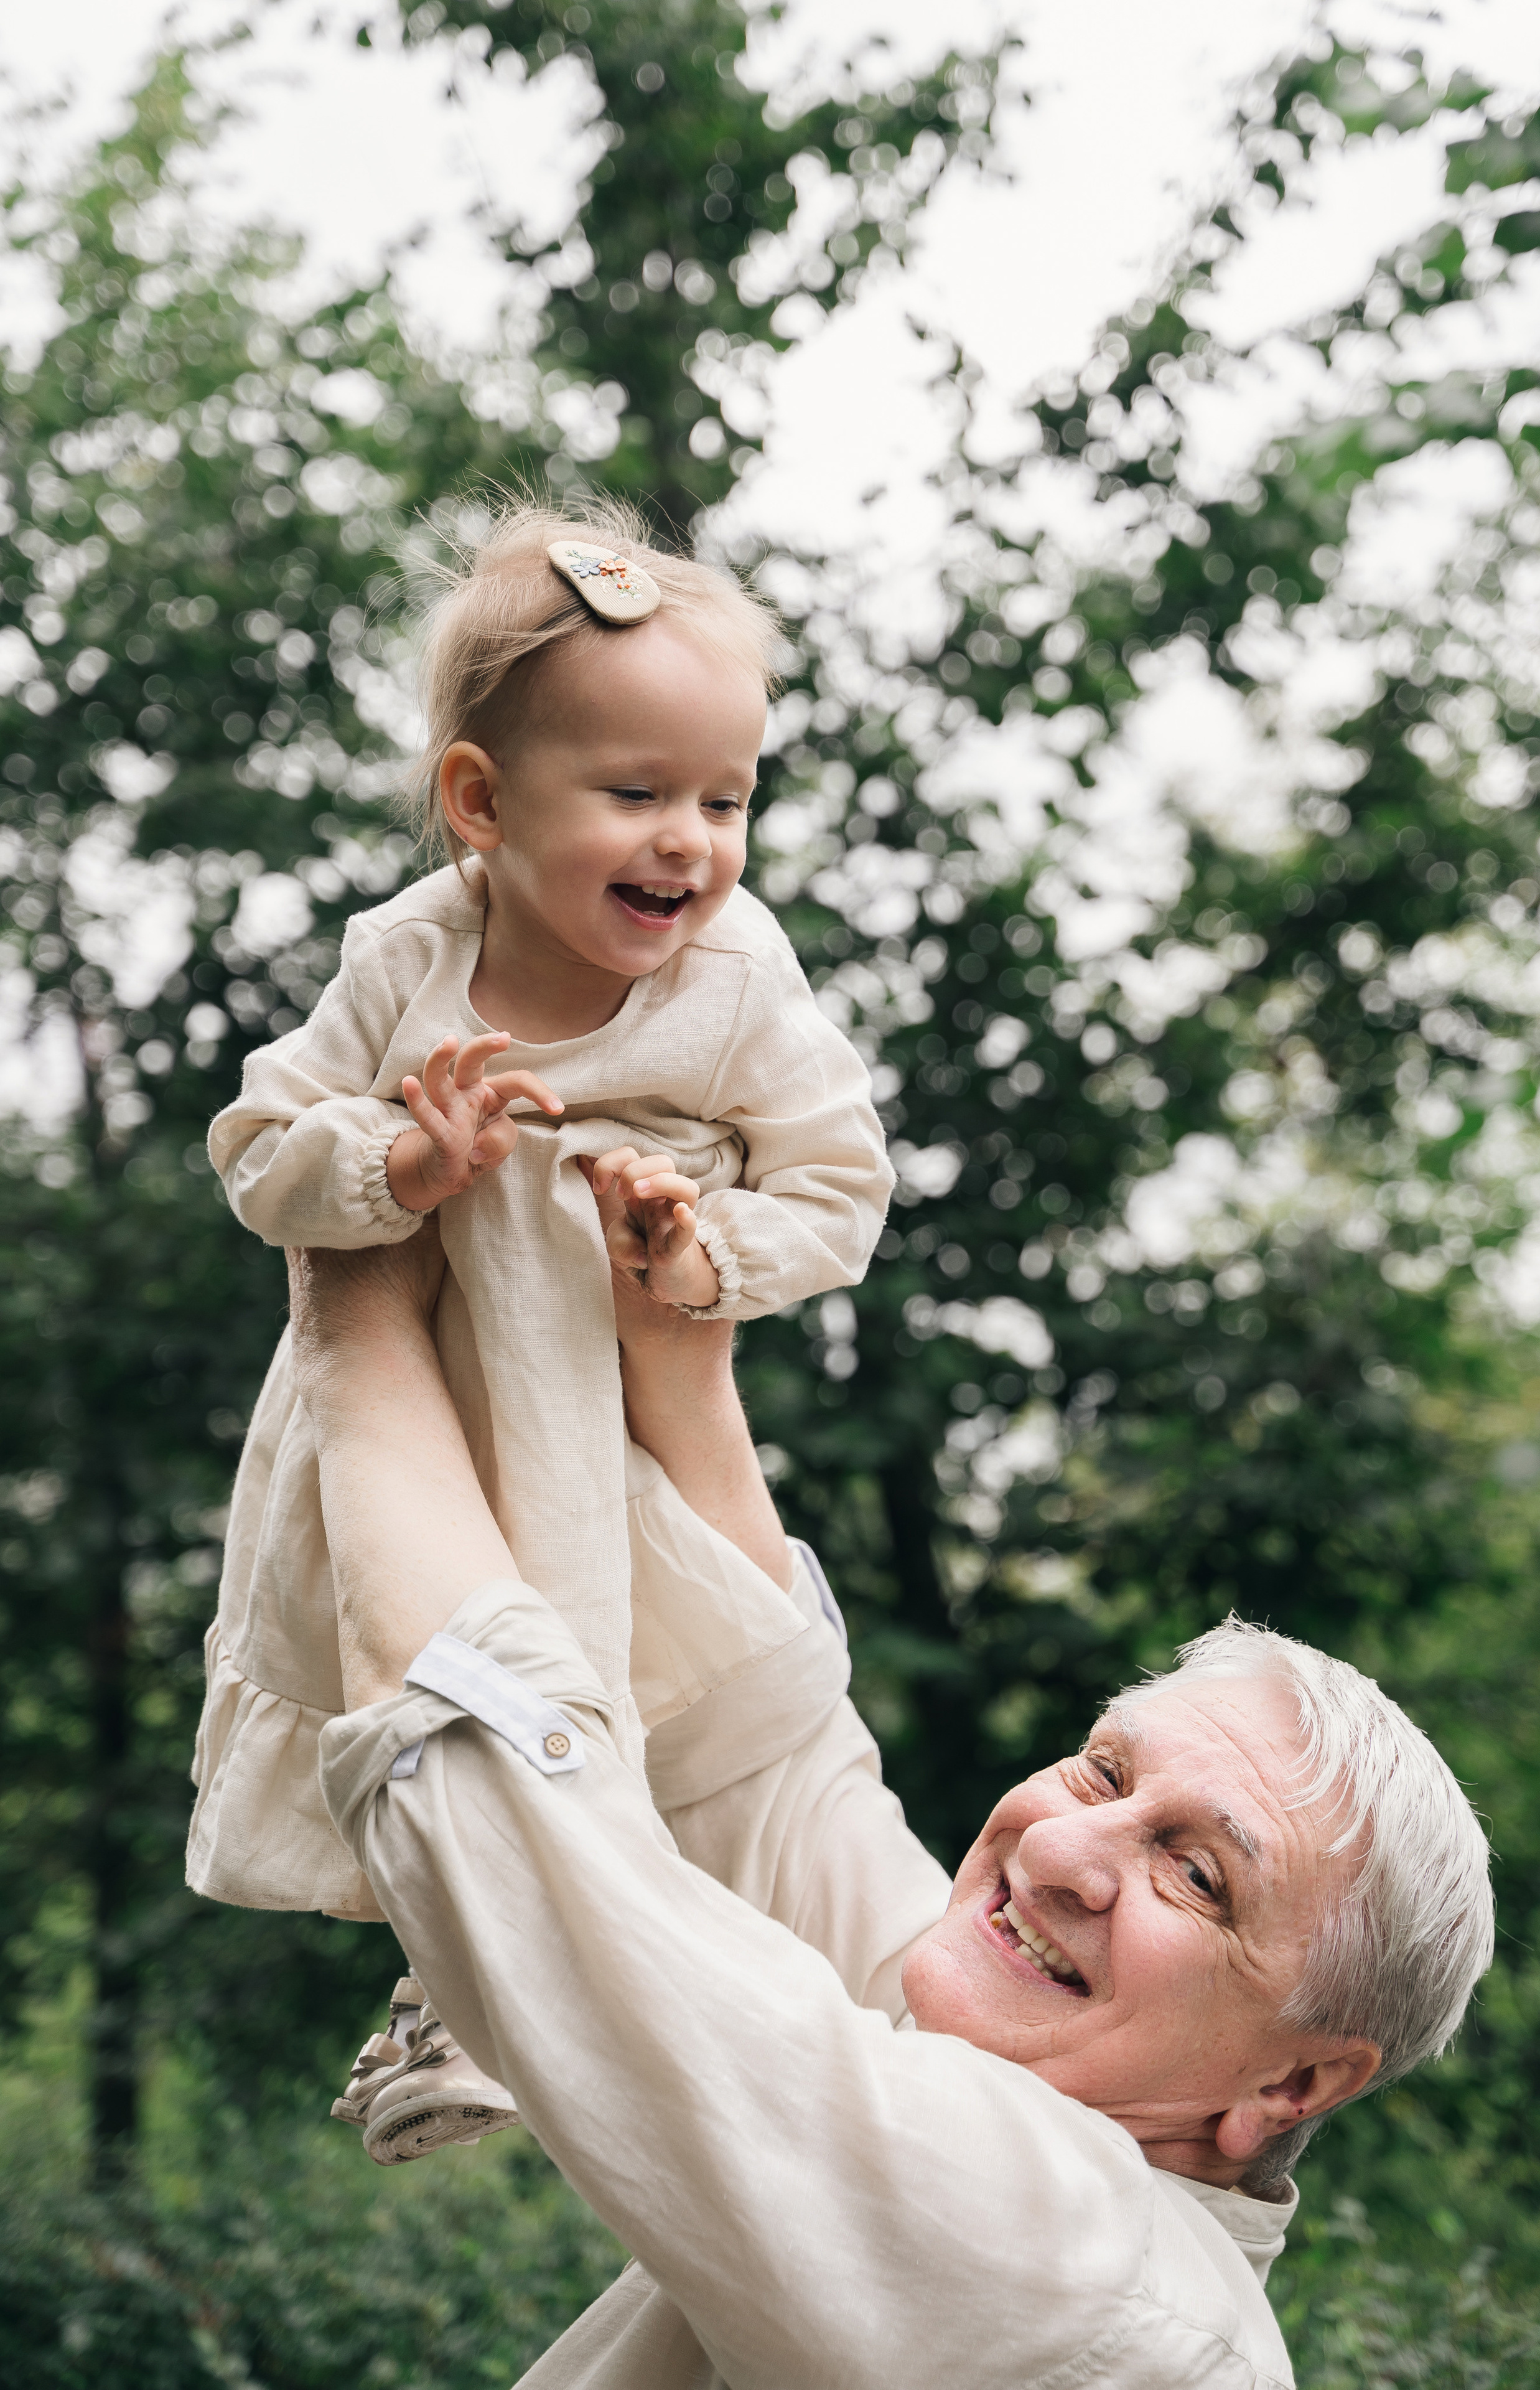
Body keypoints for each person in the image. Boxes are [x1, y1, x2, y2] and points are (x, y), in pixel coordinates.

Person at [292, 1215, 1495, 2389]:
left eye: (1198, 1876)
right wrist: (681, 1365)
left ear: (1291, 2088)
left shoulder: (1085, 2282)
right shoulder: (1036, 2078)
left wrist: (352, 1305)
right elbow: (774, 1768)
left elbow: (517, 1826)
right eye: (1106, 1771)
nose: (1067, 1846)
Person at [187, 499, 894, 2158]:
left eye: (727, 799)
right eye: (638, 794)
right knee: (427, 1670)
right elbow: (256, 1156)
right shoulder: (403, 963)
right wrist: (390, 1161)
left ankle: (607, 2005)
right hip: (421, 1402)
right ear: (482, 803)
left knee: (615, 1696)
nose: (693, 844)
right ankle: (449, 1981)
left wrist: (697, 1243)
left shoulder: (737, 979)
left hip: (602, 1403)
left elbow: (840, 1189)